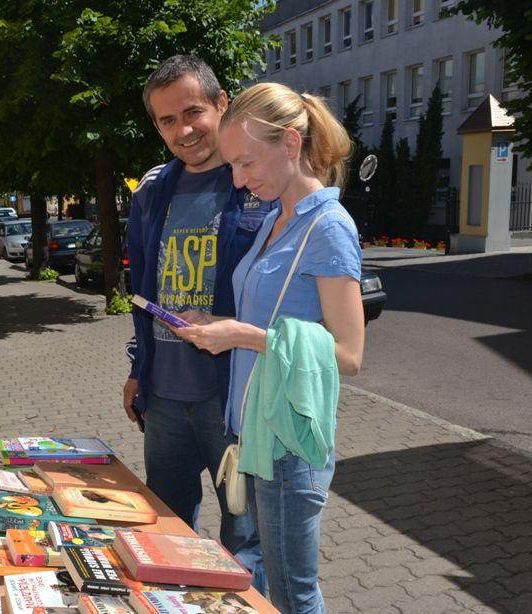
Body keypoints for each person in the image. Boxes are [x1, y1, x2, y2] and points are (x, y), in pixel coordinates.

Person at [172, 82, 365, 613]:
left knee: (293, 594)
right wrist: (219, 321)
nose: (238, 179)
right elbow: (274, 316)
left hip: (288, 446)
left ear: (290, 144)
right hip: (256, 432)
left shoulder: (327, 227)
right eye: (232, 165)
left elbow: (349, 353)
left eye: (246, 163)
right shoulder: (276, 220)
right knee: (273, 584)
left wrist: (239, 336)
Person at [123, 55, 270, 591]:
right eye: (167, 120)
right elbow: (145, 290)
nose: (183, 131)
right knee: (166, 528)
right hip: (163, 398)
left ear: (221, 104)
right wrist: (140, 368)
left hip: (231, 398)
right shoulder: (150, 192)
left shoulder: (255, 183)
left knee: (245, 540)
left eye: (193, 112)